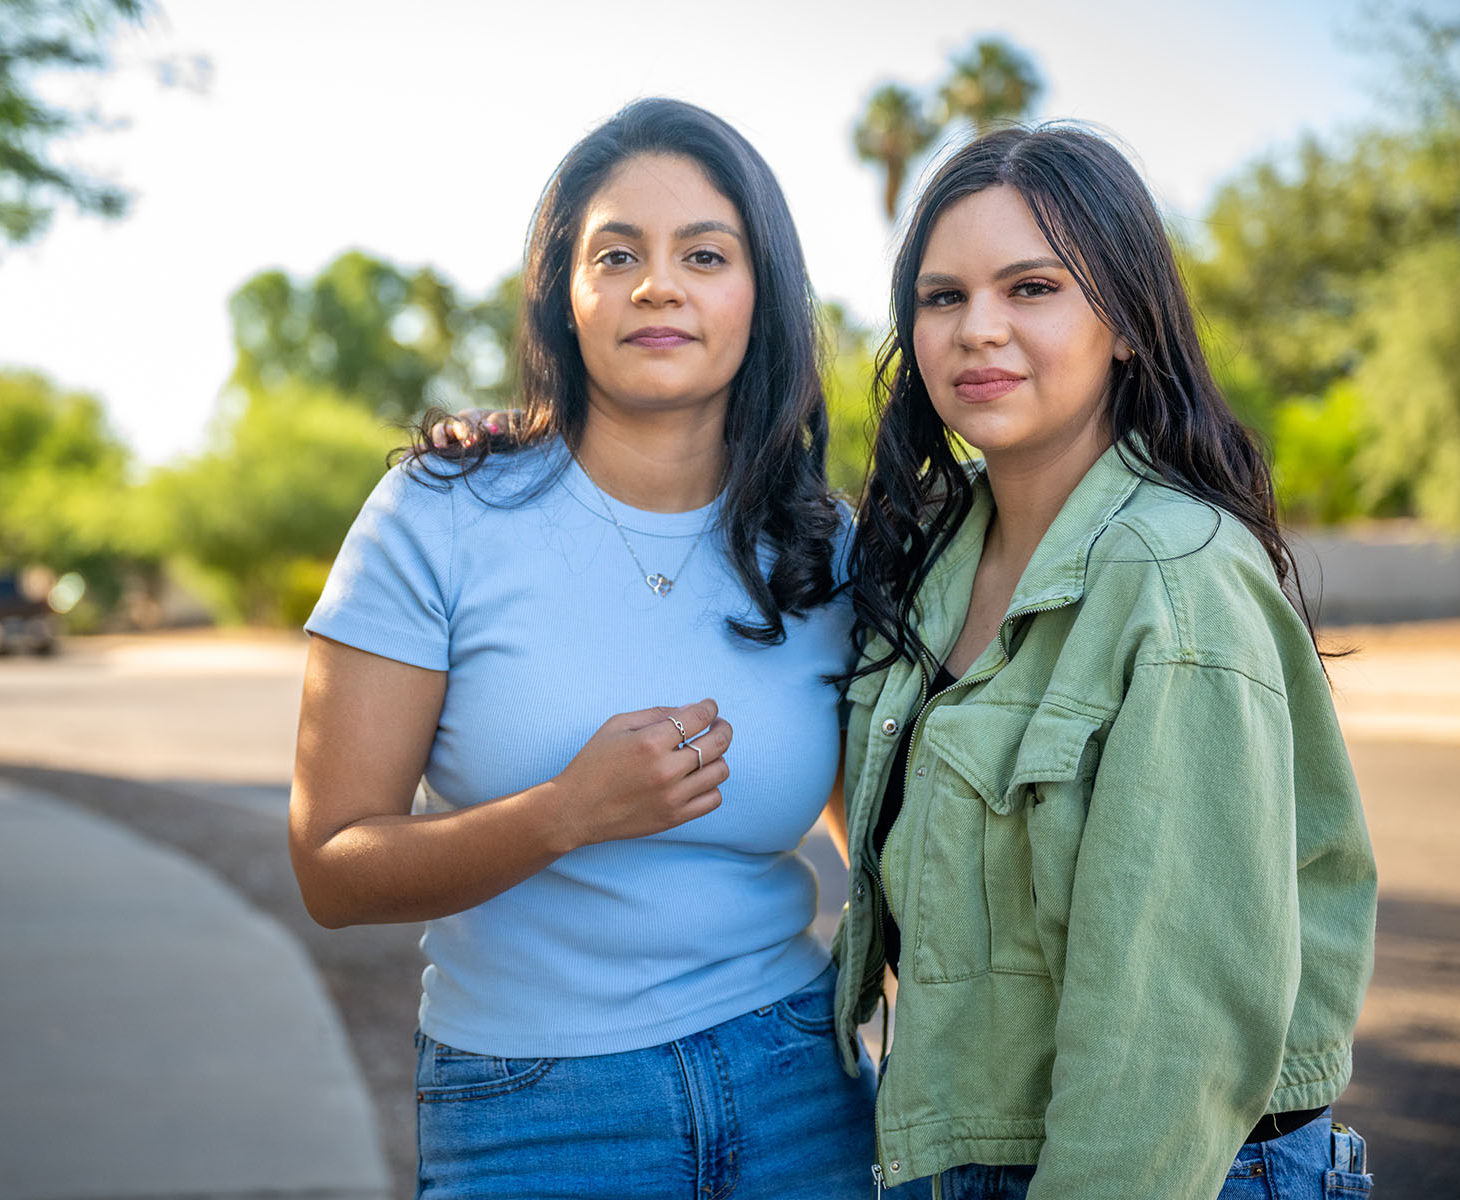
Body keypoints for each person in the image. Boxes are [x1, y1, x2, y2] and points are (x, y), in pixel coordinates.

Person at [287, 97, 878, 1200]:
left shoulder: (820, 544)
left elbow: (877, 836)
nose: (660, 284)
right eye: (619, 254)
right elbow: (331, 867)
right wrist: (568, 813)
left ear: (762, 295)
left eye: (705, 253)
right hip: (540, 1110)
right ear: (566, 292)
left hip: (805, 1087)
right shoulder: (440, 513)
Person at [830, 123, 1379, 1198]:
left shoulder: (1178, 580)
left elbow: (1173, 1044)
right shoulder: (929, 566)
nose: (977, 330)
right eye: (942, 299)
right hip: (964, 1147)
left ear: (1126, 322)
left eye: (1030, 287)